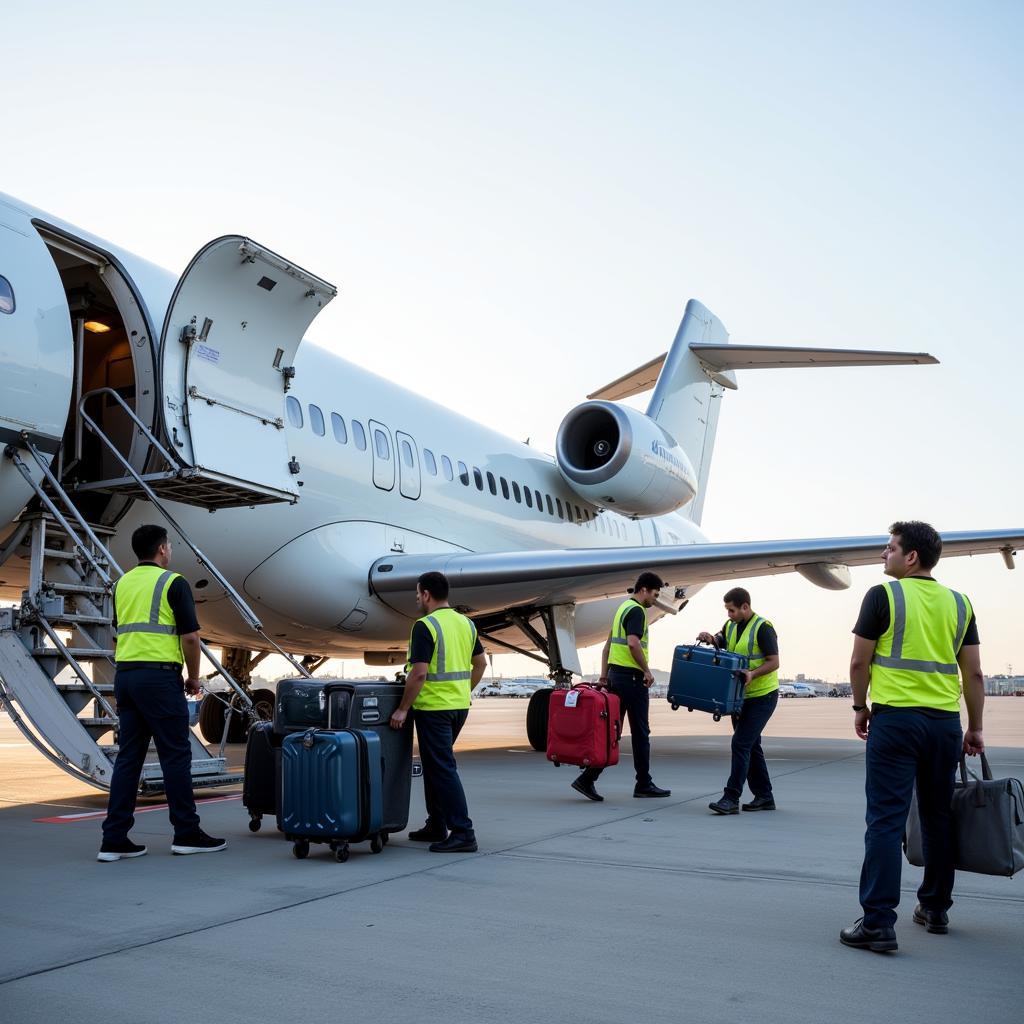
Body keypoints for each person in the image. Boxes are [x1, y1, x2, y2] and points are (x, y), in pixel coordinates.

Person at [840, 521, 984, 953]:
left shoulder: (883, 595)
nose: (884, 555)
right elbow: (973, 672)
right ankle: (935, 908)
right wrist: (975, 727)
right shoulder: (960, 603)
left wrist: (859, 707)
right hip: (943, 725)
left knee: (885, 820)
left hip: (896, 723)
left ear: (911, 557)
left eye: (889, 548)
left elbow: (858, 663)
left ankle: (879, 922)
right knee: (939, 816)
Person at [98, 525, 226, 861]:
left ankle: (113, 839)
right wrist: (194, 678)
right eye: (169, 546)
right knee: (175, 756)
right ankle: (186, 833)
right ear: (162, 550)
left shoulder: (121, 584)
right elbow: (190, 638)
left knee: (129, 758)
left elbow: (120, 631)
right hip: (159, 678)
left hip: (126, 676)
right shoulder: (173, 582)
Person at [390, 571, 486, 852]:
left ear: (426, 594)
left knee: (442, 768)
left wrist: (402, 709)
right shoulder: (466, 623)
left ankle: (463, 832)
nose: (417, 599)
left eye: (418, 594)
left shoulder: (425, 625)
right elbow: (480, 664)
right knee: (435, 765)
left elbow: (418, 674)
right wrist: (463, 690)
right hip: (458, 707)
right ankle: (436, 823)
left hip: (434, 708)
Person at [572, 572, 671, 802]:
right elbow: (633, 643)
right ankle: (643, 784)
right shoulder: (637, 611)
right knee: (640, 733)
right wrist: (647, 670)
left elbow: (607, 647)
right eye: (654, 595)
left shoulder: (622, 609)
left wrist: (605, 677)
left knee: (612, 732)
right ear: (644, 589)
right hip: (632, 680)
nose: (654, 601)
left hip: (616, 678)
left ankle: (587, 778)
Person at [699, 587, 781, 815]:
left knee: (741, 744)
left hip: (763, 696)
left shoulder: (763, 628)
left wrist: (753, 674)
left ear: (745, 606)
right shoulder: (731, 626)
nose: (729, 614)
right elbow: (721, 640)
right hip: (741, 697)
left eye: (732, 610)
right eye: (727, 610)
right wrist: (710, 639)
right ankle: (764, 796)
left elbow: (774, 662)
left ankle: (731, 797)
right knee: (752, 747)